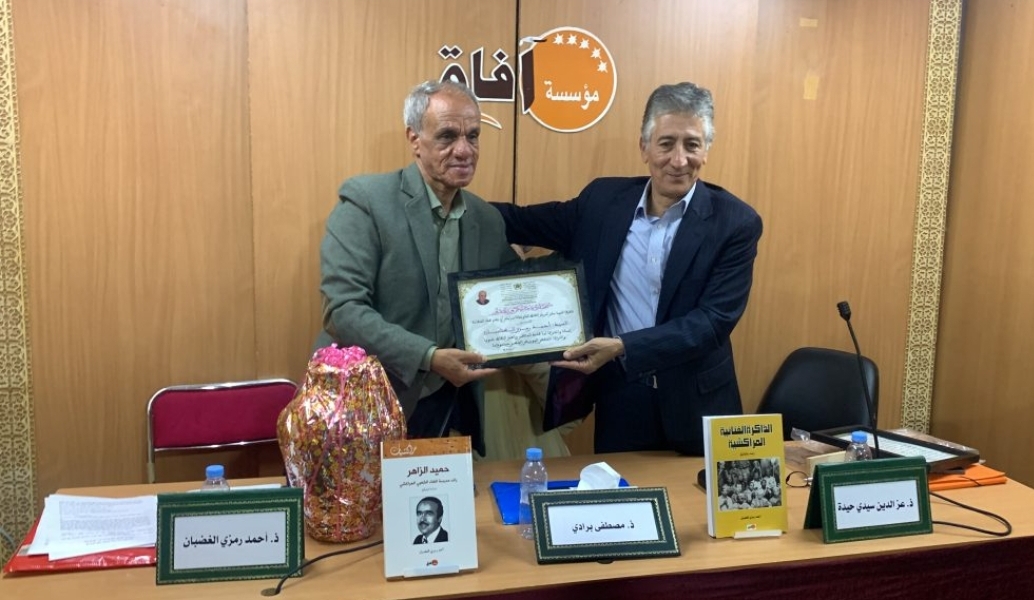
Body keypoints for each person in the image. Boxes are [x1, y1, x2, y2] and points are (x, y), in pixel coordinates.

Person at [493, 81, 763, 456]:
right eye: (666, 143)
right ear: (644, 147)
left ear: (706, 150)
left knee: (697, 496)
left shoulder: (735, 223)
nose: (679, 160)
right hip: (621, 397)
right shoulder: (602, 203)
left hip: (697, 405)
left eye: (692, 144)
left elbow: (712, 323)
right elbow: (519, 221)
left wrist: (623, 347)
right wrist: (446, 198)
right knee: (622, 493)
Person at [315, 80, 522, 456]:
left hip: (449, 407)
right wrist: (429, 357)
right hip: (368, 404)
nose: (464, 150)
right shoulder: (366, 202)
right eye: (447, 136)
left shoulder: (486, 219)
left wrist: (564, 329)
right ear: (414, 139)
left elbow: (514, 295)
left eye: (473, 136)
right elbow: (342, 310)